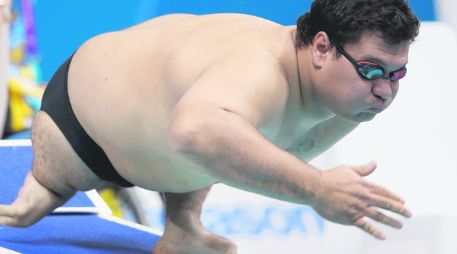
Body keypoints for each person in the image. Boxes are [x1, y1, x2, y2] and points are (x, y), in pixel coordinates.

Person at [0, 0, 419, 253]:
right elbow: (195, 131)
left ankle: (184, 225)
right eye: (370, 70)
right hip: (77, 126)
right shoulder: (261, 69)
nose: (385, 91)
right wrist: (317, 188)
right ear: (322, 47)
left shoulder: (345, 97)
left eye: (396, 75)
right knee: (28, 209)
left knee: (232, 128)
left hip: (155, 141)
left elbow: (231, 145)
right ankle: (46, 188)